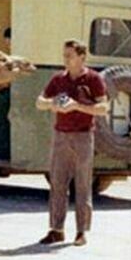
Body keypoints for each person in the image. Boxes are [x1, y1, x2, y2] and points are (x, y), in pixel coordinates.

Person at [35, 40, 108, 246]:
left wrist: (77, 106)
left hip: (83, 136)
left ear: (82, 57)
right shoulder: (58, 79)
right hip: (61, 136)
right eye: (64, 55)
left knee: (83, 185)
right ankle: (56, 229)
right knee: (57, 184)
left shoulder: (93, 79)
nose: (65, 59)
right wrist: (54, 104)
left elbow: (103, 108)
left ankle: (81, 231)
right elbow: (39, 102)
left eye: (70, 55)